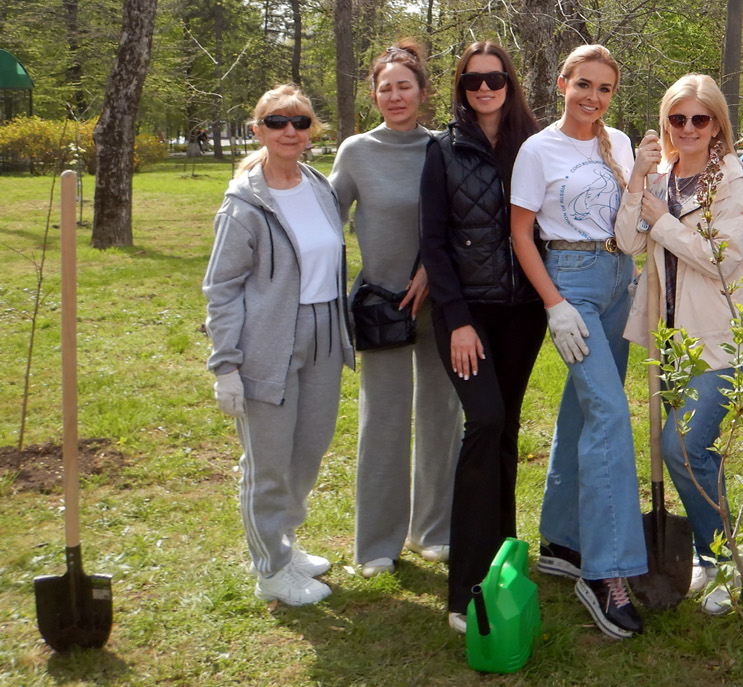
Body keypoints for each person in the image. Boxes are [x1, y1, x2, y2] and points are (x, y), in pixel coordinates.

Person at [509, 43, 646, 639]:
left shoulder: (619, 142)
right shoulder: (538, 150)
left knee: (583, 409)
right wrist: (555, 304)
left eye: (604, 88)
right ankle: (606, 571)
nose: (593, 97)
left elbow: (633, 212)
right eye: (583, 84)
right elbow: (520, 234)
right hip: (573, 284)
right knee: (611, 416)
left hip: (619, 281)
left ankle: (562, 539)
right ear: (563, 83)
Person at [614, 74, 743, 615]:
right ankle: (714, 551)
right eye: (678, 118)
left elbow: (722, 256)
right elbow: (628, 240)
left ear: (717, 124)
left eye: (700, 119)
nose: (689, 128)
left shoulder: (730, 181)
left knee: (682, 448)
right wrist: (638, 180)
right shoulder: (661, 179)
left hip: (720, 338)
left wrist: (663, 223)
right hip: (671, 341)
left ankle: (725, 558)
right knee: (689, 452)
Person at [203, 85, 354, 607]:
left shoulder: (319, 186)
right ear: (258, 130)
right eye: (277, 122)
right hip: (267, 344)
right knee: (267, 463)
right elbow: (221, 287)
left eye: (300, 122)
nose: (290, 131)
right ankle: (269, 568)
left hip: (324, 335)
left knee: (308, 450)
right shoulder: (242, 204)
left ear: (312, 131)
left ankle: (284, 544)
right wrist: (226, 365)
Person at [420, 40, 547, 634]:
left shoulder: (533, 145)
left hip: (523, 312)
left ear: (509, 83)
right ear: (461, 88)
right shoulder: (442, 150)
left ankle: (505, 561)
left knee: (506, 430)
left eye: (494, 79)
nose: (485, 89)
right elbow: (433, 242)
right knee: (485, 422)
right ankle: (466, 586)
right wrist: (457, 319)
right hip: (466, 314)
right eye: (473, 81)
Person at [330, 40, 461, 579]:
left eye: (405, 86)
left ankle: (433, 530)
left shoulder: (442, 148)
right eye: (385, 88)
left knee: (441, 416)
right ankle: (376, 543)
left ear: (423, 92)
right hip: (382, 307)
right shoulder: (355, 152)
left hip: (440, 303)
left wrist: (431, 269)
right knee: (382, 420)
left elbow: (460, 221)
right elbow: (325, 220)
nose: (395, 95)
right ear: (374, 95)